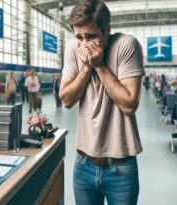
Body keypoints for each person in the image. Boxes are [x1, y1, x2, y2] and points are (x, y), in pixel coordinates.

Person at [59, 0, 145, 204]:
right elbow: (66, 100)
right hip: (83, 164)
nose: (84, 43)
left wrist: (99, 66)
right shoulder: (73, 48)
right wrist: (87, 67)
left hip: (120, 168)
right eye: (79, 36)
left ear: (107, 30)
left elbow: (129, 104)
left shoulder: (126, 45)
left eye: (91, 36)